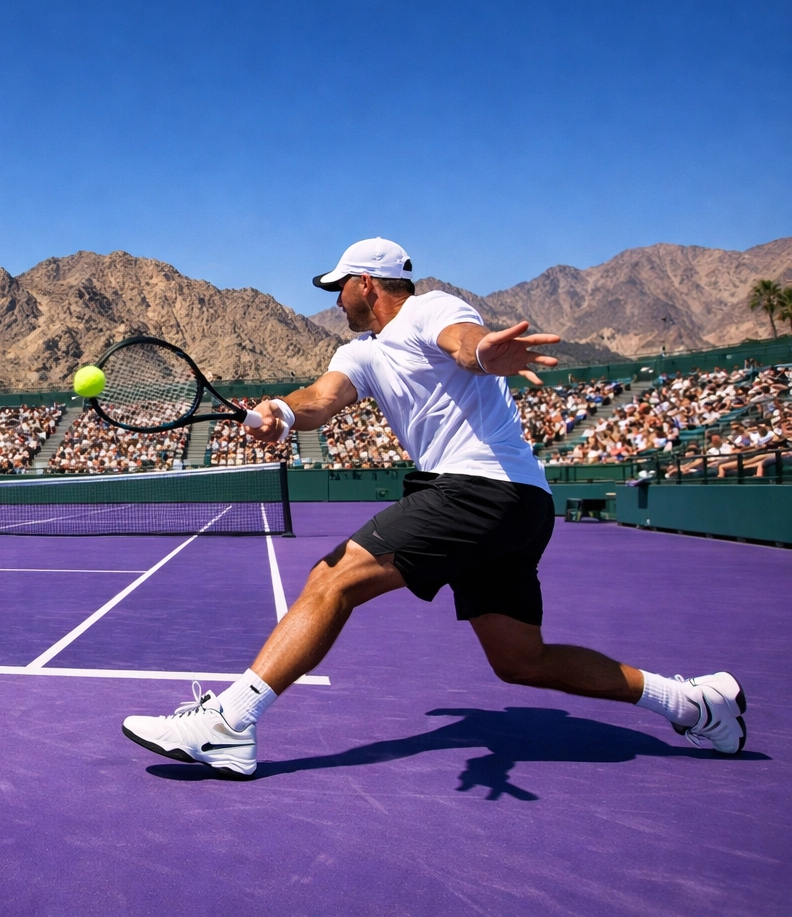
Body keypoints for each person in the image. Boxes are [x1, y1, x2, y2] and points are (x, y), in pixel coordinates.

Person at [122, 238, 746, 779]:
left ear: (366, 284)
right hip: (515, 507)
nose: (336, 300)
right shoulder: (361, 353)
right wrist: (281, 414)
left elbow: (462, 342)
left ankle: (230, 724)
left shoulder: (429, 309)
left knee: (332, 578)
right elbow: (319, 398)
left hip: (480, 488)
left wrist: (484, 353)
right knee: (520, 661)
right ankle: (694, 705)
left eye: (340, 288)